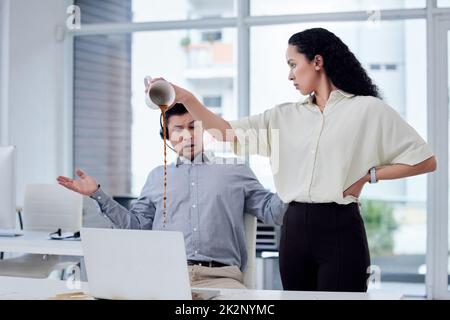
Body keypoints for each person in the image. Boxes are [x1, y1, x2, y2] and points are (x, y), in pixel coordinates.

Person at [150, 28, 437, 292]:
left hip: (340, 227)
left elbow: (424, 160)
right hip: (294, 229)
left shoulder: (368, 110)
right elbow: (223, 132)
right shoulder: (283, 116)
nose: (290, 75)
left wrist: (369, 176)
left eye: (292, 64)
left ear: (317, 61)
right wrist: (186, 98)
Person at [57, 103, 288, 289]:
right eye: (178, 129)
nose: (187, 135)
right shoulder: (157, 177)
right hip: (164, 278)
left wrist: (295, 177)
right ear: (167, 136)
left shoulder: (235, 170)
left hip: (222, 279)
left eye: (193, 126)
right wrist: (97, 194)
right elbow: (136, 228)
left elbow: (273, 212)